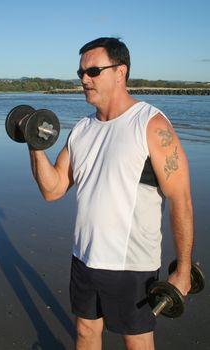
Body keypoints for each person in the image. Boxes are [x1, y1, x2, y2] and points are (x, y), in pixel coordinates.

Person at [28, 37, 193, 350]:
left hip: (131, 265)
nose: (84, 79)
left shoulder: (151, 125)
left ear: (121, 72)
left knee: (137, 342)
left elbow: (181, 200)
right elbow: (53, 189)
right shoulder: (82, 129)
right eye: (80, 73)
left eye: (93, 70)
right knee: (86, 334)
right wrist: (34, 142)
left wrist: (183, 269)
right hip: (85, 257)